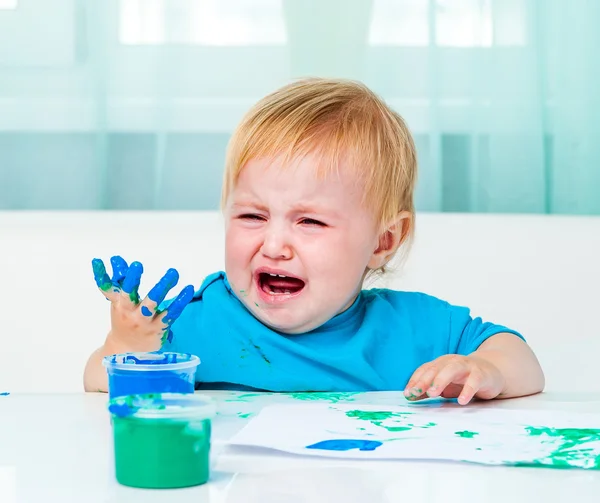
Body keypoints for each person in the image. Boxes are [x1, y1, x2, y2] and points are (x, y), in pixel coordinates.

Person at [84, 78, 544, 404]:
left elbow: (524, 362)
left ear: (383, 241)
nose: (275, 244)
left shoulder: (411, 327)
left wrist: (487, 370)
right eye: (252, 215)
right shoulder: (199, 322)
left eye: (310, 222)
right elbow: (93, 381)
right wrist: (129, 346)